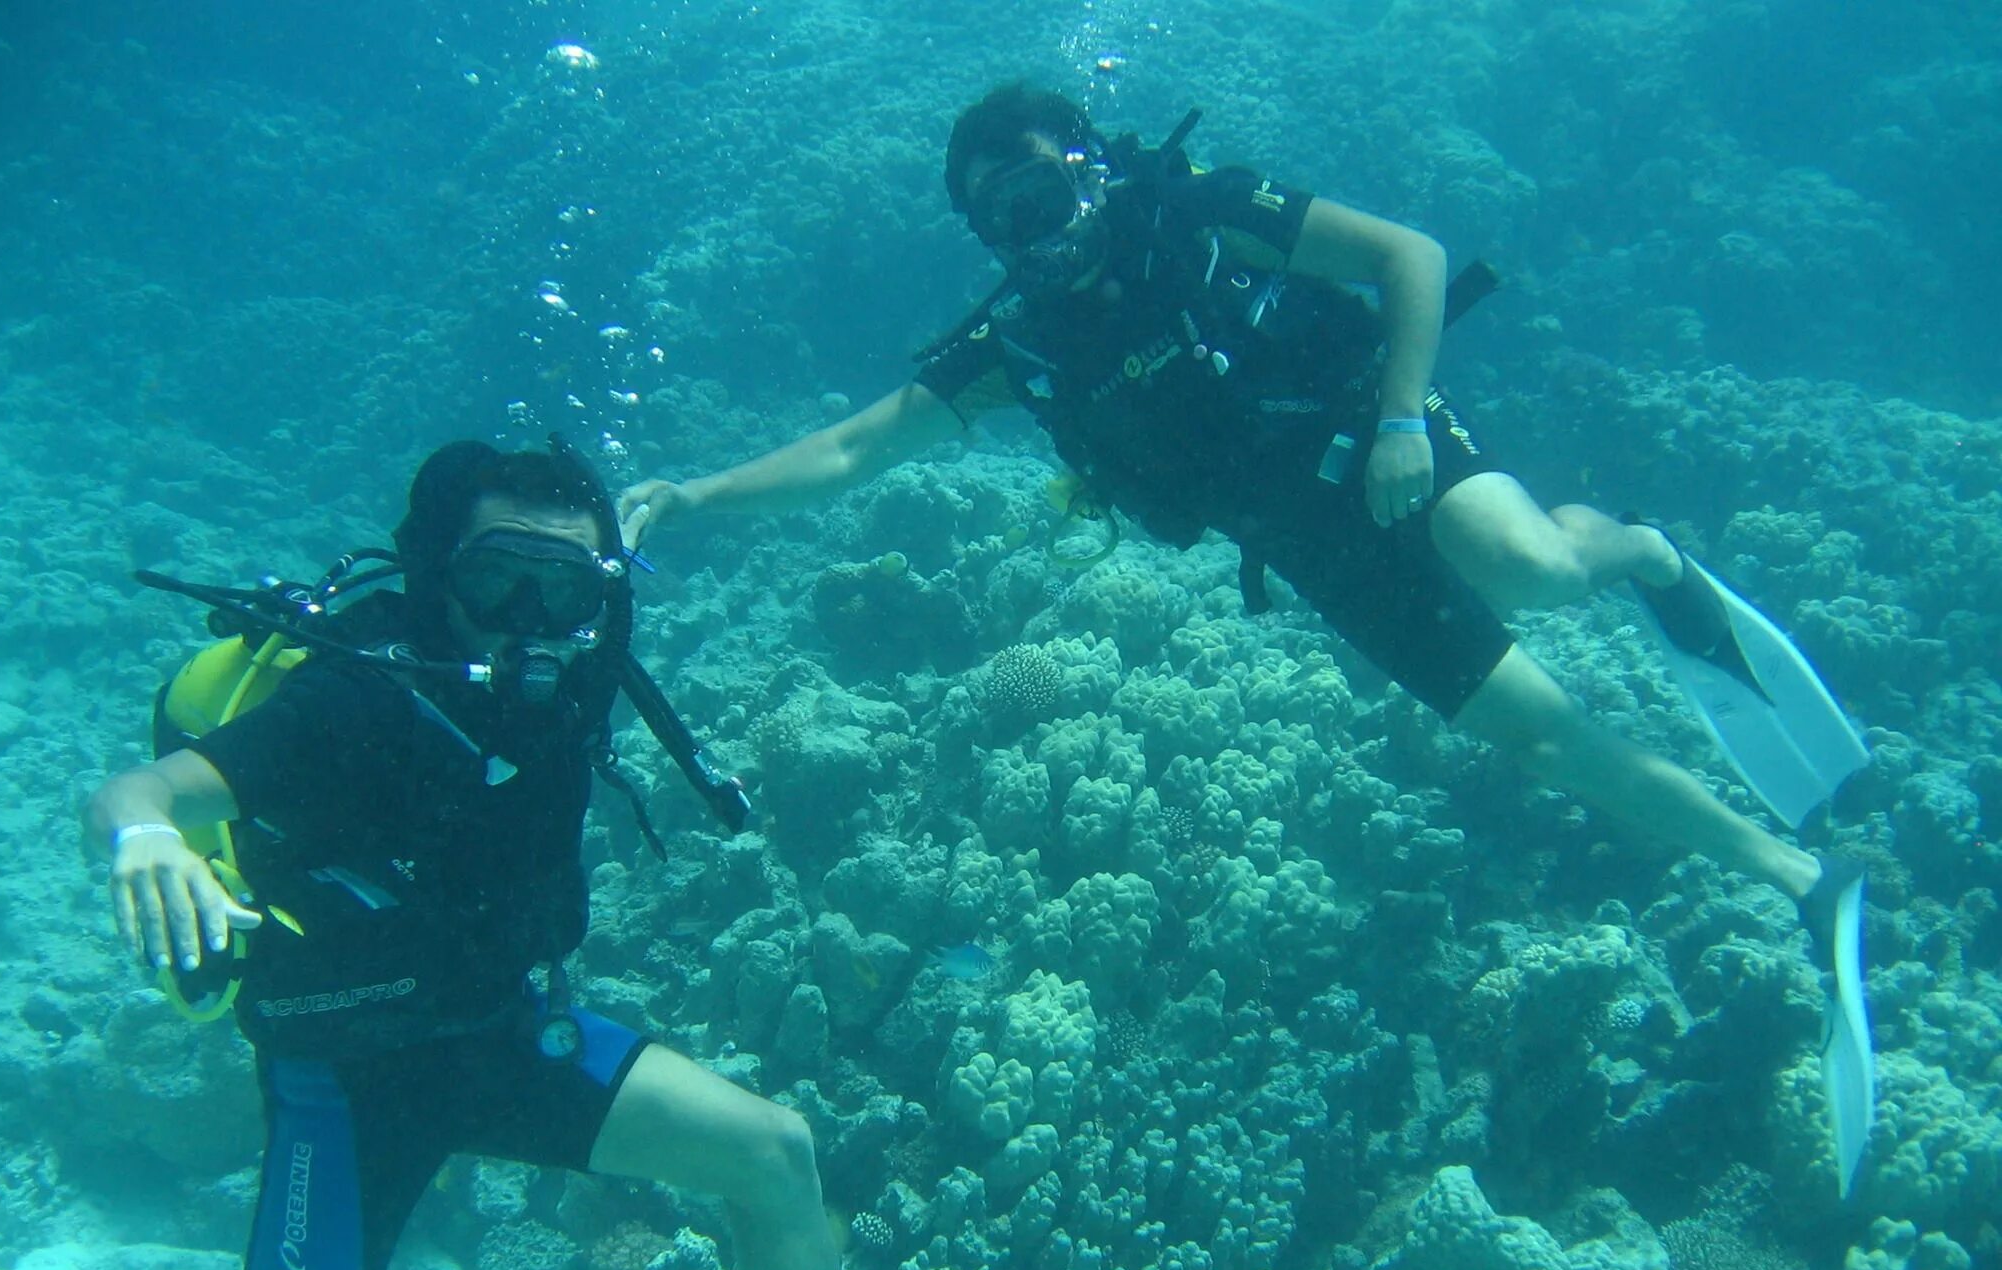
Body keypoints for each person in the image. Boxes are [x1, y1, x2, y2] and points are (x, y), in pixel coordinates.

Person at [619, 83, 1879, 1187]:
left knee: (1531, 567)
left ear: (1093, 166)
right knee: (1541, 739)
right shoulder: (1014, 347)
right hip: (1319, 550)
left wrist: (1396, 418)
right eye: (994, 211)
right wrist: (696, 496)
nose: (1030, 224)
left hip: (1381, 443)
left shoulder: (1198, 208)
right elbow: (850, 446)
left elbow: (1408, 257)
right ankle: (1799, 881)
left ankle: (1641, 551)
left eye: (1041, 186)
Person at [73, 440, 895, 1270]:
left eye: (562, 585)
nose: (527, 615)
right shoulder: (352, 698)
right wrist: (144, 837)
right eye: (493, 578)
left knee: (772, 1152)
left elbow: (629, 536)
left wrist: (676, 500)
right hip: (345, 1091)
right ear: (431, 576)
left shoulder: (584, 644)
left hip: (503, 1036)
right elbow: (142, 788)